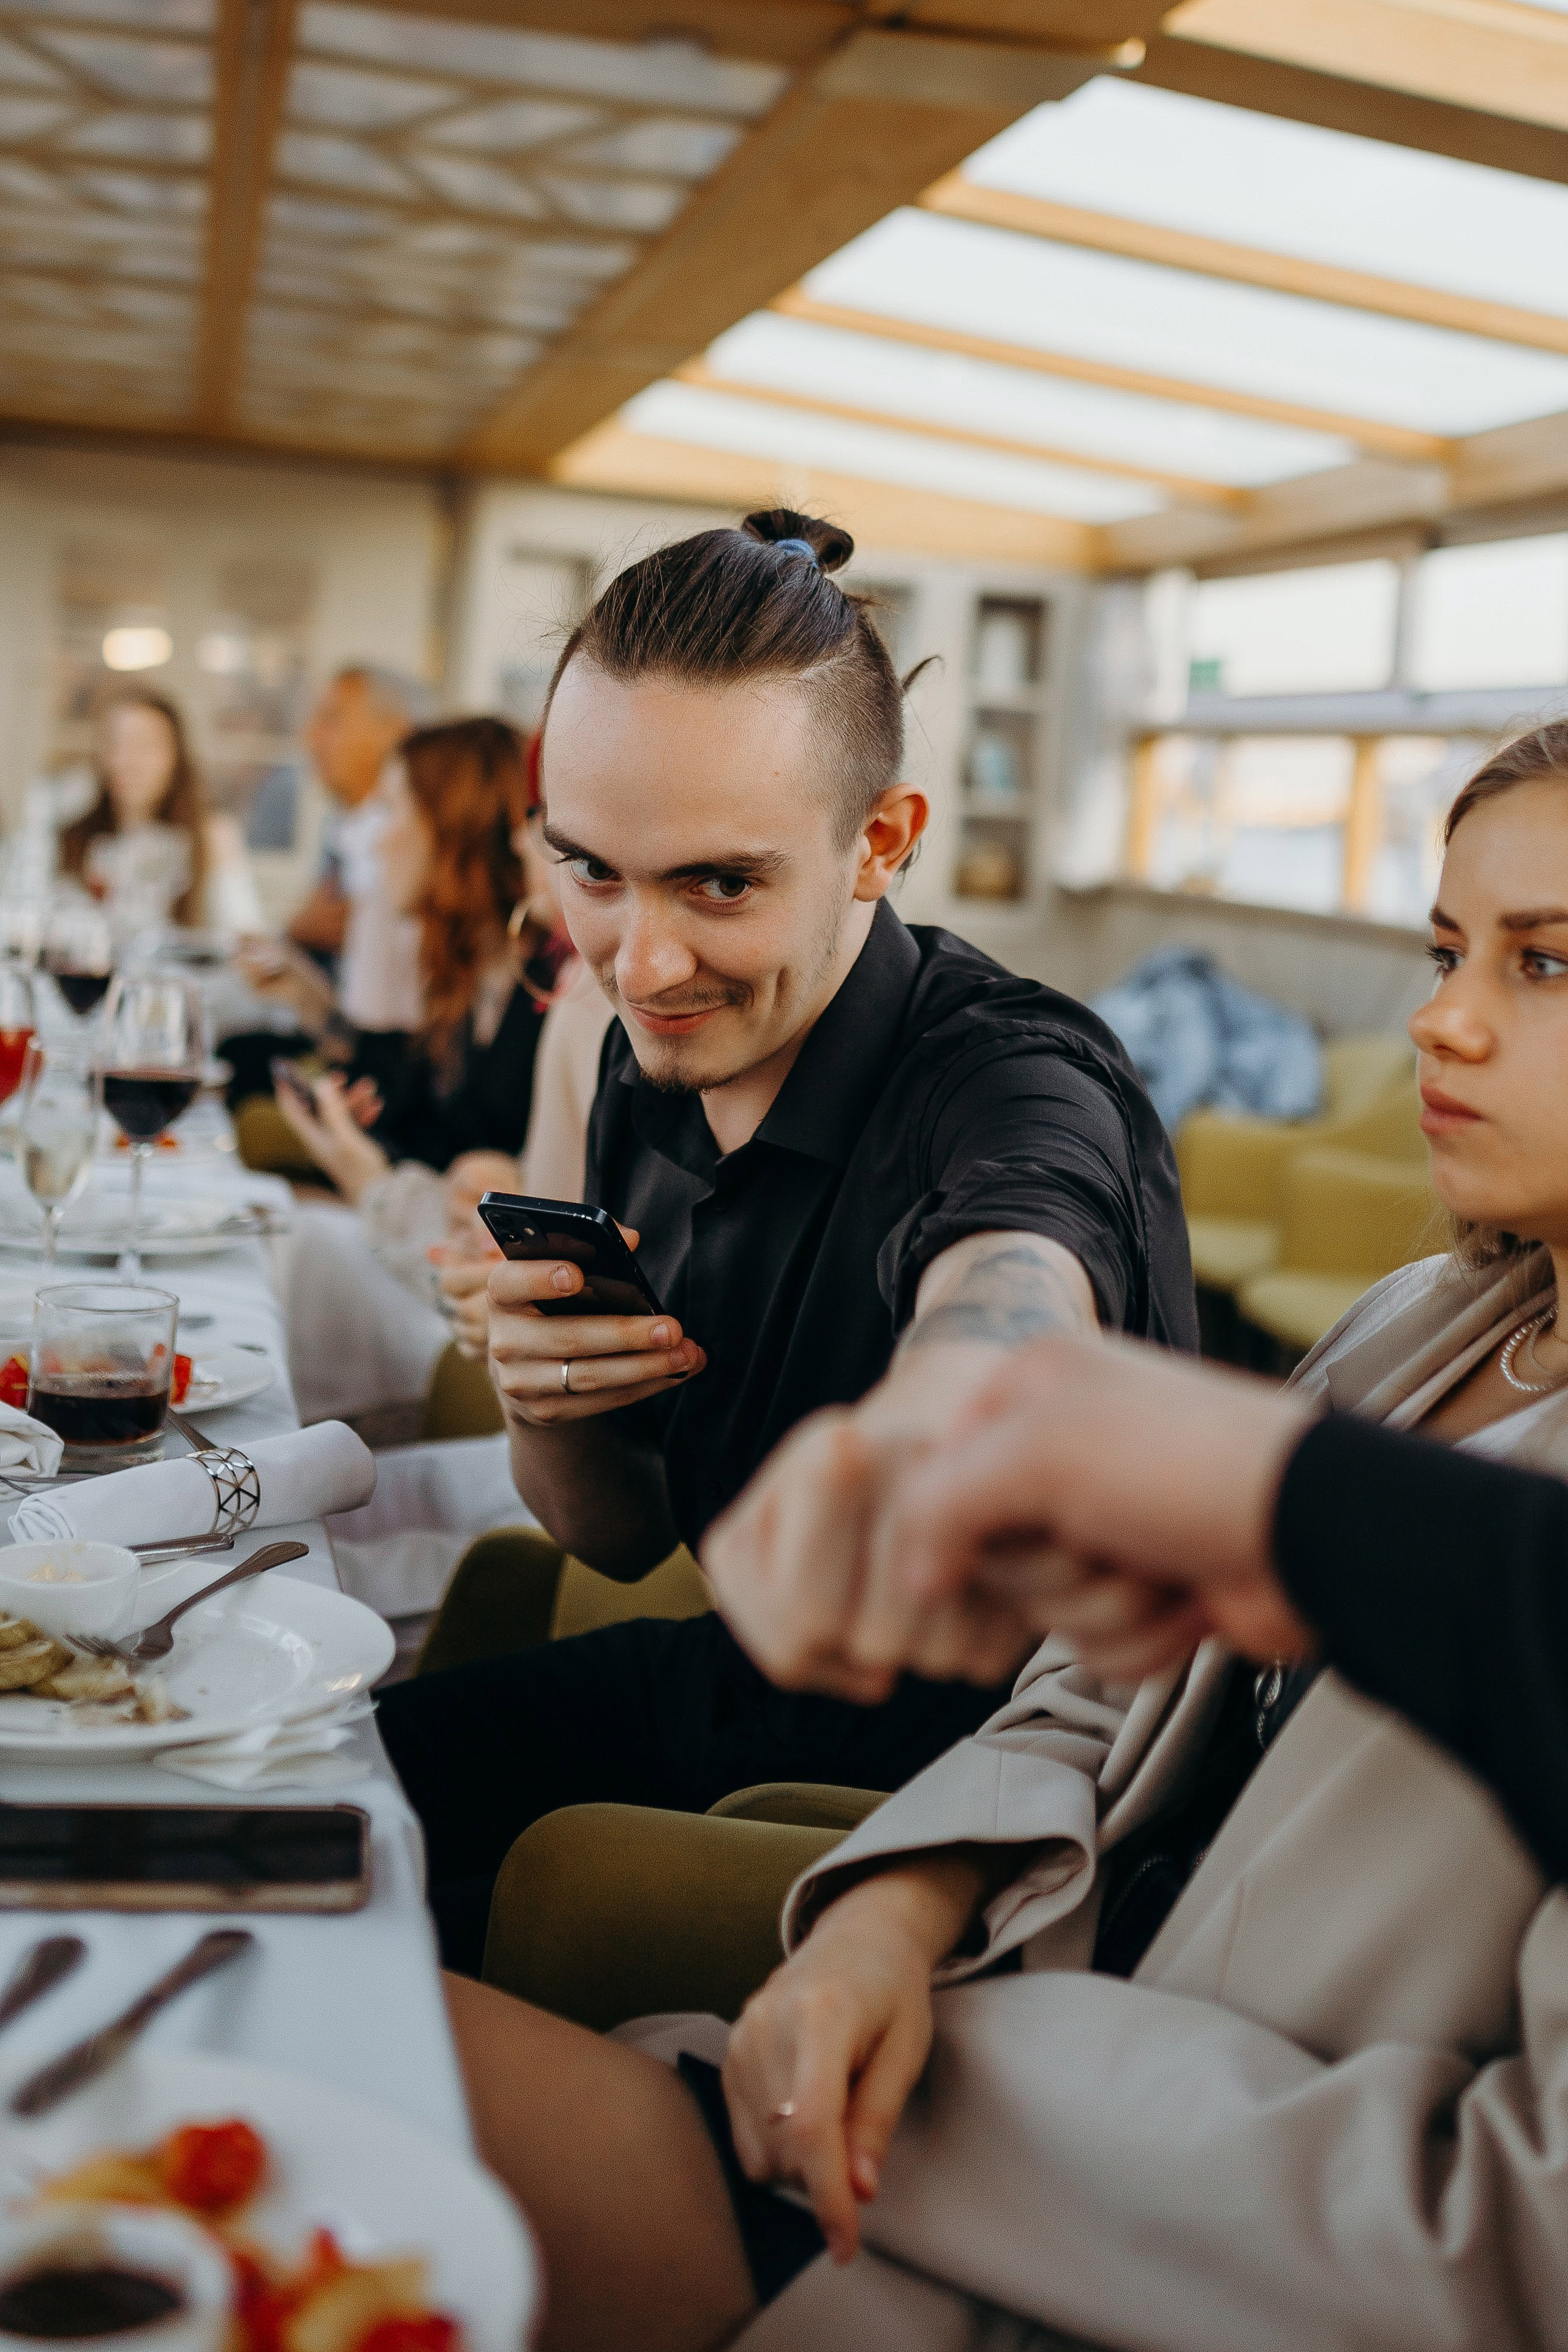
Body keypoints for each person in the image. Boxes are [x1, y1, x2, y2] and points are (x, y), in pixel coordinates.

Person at [429, 716, 1568, 2352]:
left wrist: (977, 1396)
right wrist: (896, 1915)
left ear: (878, 848)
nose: (1442, 1021)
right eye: (1451, 946)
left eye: (1546, 965)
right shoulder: (1417, 1327)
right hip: (941, 2057)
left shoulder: (1015, 1071)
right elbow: (1101, 1686)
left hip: (1102, 2236)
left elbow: (1503, 2254)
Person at [376, 507, 1197, 1977]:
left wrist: (947, 1402)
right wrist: (541, 1393)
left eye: (720, 883)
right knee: (313, 1800)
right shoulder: (652, 1053)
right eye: (592, 872)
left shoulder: (1011, 1077)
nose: (639, 962)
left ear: (878, 841)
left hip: (970, 1811)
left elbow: (1018, 1263)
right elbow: (616, 1535)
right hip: (734, 1675)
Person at [274, 717, 551, 1425]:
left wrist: (361, 1170)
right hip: (432, 1267)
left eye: (394, 812)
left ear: (451, 830)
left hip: (484, 1326)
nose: (376, 838)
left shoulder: (551, 995)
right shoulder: (465, 975)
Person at [223, 662, 435, 1107]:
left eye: (332, 720)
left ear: (394, 733)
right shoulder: (343, 828)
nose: (310, 737)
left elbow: (385, 1055)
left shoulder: (402, 855)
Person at [58, 685, 263, 935]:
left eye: (145, 745)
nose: (128, 761)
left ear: (175, 758)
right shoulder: (77, 840)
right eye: (116, 744)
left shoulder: (211, 837)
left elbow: (248, 936)